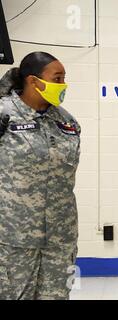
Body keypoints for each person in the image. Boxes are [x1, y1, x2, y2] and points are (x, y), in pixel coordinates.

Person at [0, 52, 81, 300]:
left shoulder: (67, 122)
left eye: (64, 78)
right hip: (13, 238)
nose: (63, 84)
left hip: (60, 236)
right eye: (57, 78)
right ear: (34, 81)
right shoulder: (4, 116)